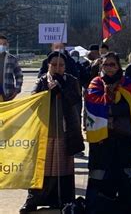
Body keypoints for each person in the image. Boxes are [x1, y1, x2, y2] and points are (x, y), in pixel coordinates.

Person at [20, 52, 84, 213]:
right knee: (42, 167)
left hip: (65, 131)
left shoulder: (72, 81)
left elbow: (76, 100)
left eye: (61, 65)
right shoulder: (42, 80)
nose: (57, 68)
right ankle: (34, 200)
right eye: (54, 64)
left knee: (62, 167)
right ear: (48, 65)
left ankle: (63, 200)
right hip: (45, 131)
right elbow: (33, 101)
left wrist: (62, 88)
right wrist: (47, 93)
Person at [85, 52, 131, 214]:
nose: (109, 68)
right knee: (99, 173)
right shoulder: (95, 84)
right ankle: (95, 206)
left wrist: (109, 108)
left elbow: (129, 106)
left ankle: (129, 206)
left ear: (118, 66)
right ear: (101, 66)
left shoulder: (128, 83)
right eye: (106, 65)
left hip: (124, 137)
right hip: (102, 139)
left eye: (113, 64)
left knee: (126, 173)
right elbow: (92, 105)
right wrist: (112, 106)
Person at [0, 34, 23, 102]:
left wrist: (16, 91)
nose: (2, 46)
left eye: (4, 44)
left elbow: (19, 76)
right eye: (0, 43)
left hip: (7, 94)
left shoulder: (12, 59)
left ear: (7, 45)